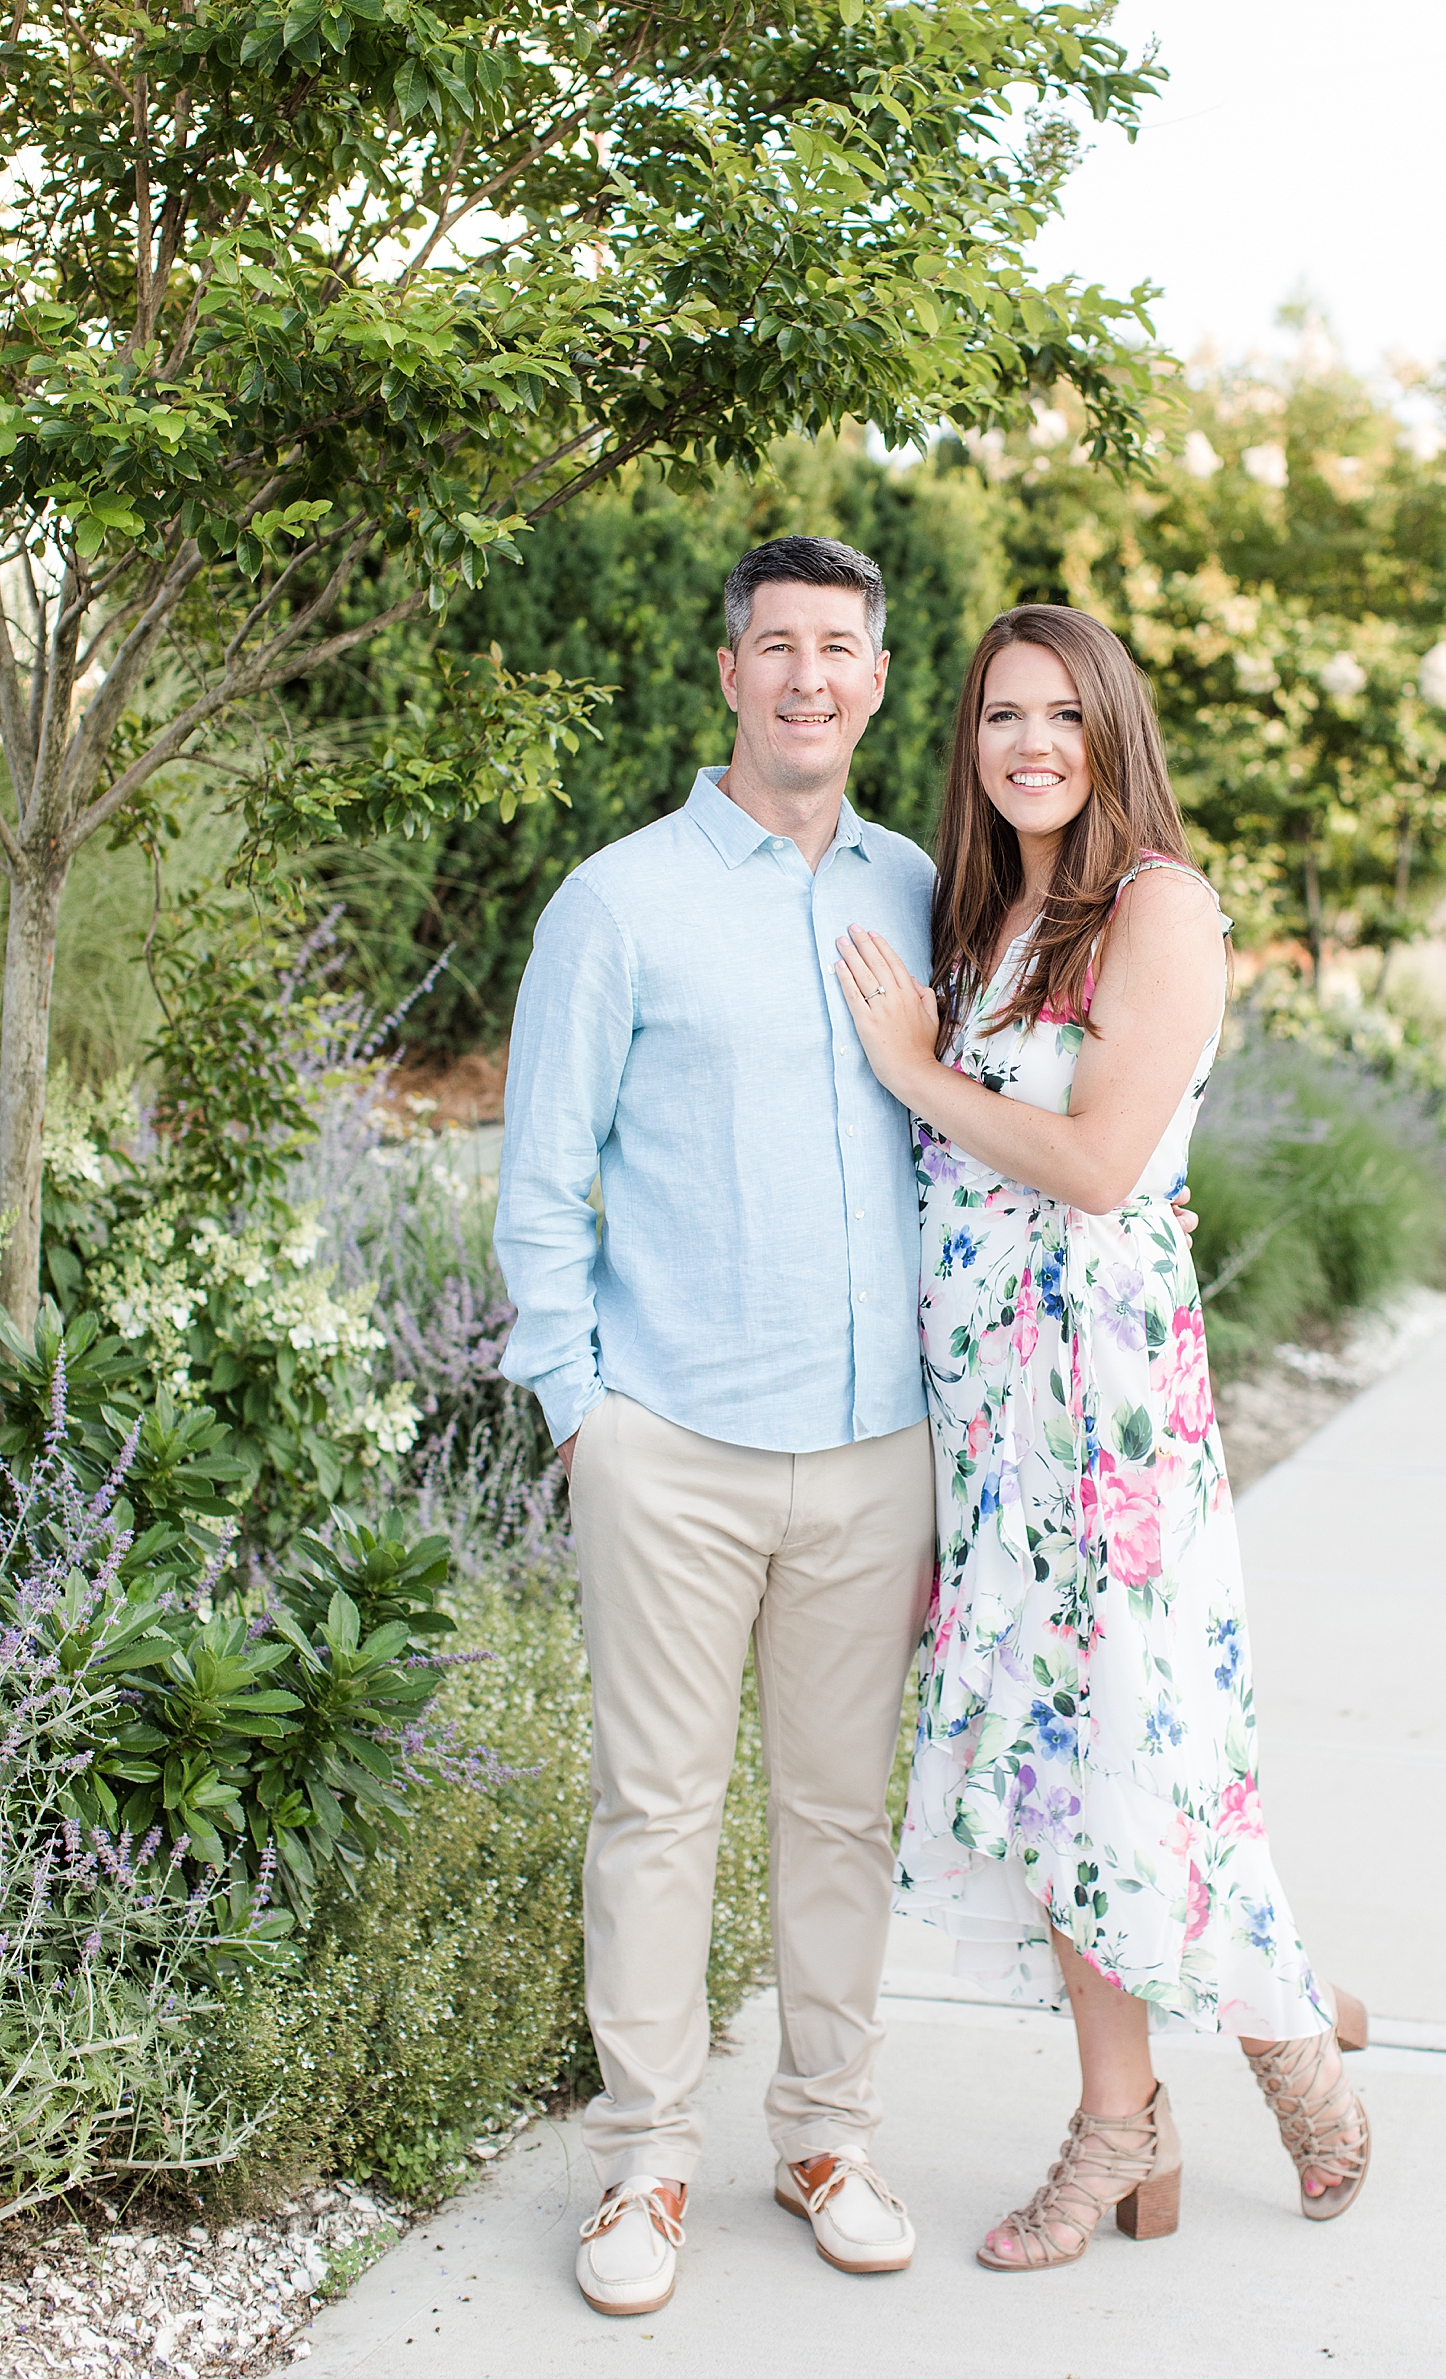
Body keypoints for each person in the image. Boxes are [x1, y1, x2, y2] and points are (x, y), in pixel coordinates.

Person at [832, 602, 1372, 2272]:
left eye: (1061, 712)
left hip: (1109, 1434)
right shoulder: (990, 923)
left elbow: (1096, 1164)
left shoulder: (1161, 909)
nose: (1030, 743)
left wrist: (918, 1077)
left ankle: (1196, 2082)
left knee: (1134, 1761)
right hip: (996, 1440)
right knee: (1069, 1775)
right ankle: (1264, 2021)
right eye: (1001, 714)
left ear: (1112, 728)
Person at [493, 535, 937, 2317]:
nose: (809, 678)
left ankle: (826, 2132)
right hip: (669, 1441)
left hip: (876, 1447)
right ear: (730, 674)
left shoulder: (923, 889)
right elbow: (540, 1184)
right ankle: (642, 2162)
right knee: (657, 1814)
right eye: (778, 648)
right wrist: (579, 1411)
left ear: (878, 680)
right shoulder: (618, 903)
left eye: (840, 648)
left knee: (839, 1816)